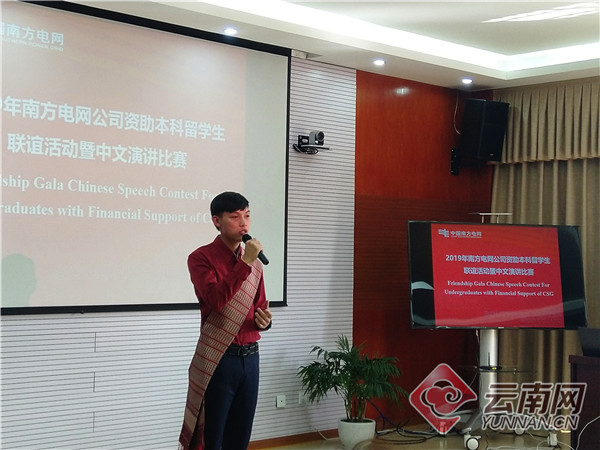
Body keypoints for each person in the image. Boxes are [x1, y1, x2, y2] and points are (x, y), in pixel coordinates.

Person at [178, 191, 272, 450]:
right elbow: (215, 301)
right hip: (220, 359)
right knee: (213, 437)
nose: (244, 223)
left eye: (247, 216)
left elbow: (259, 307)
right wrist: (245, 262)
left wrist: (264, 321)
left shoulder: (255, 264)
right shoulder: (201, 258)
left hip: (250, 358)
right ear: (216, 221)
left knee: (240, 436)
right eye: (235, 217)